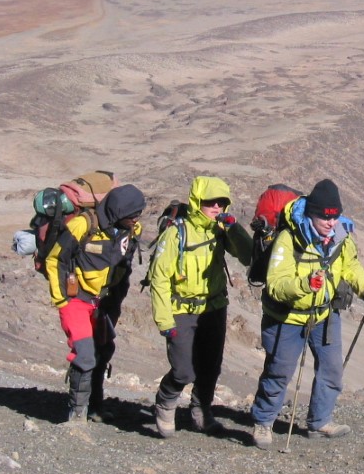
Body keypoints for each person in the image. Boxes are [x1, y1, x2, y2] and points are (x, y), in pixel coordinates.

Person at [250, 178, 364, 449]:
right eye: (325, 217)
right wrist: (305, 285)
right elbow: (276, 284)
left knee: (332, 369)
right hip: (287, 317)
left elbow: (351, 268)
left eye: (334, 217)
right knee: (278, 371)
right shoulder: (289, 239)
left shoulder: (340, 237)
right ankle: (263, 423)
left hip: (324, 313)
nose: (331, 223)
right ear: (312, 212)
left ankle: (320, 421)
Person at [148, 176, 252, 438]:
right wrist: (165, 321)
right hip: (182, 310)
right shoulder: (176, 233)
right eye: (210, 202)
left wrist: (234, 228)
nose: (216, 207)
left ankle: (201, 412)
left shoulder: (221, 229)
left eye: (222, 202)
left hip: (214, 308)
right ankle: (166, 401)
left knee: (211, 366)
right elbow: (159, 278)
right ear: (197, 202)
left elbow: (248, 255)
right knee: (184, 370)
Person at [45, 184, 145, 423]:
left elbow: (125, 265)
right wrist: (62, 300)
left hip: (105, 301)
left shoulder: (131, 229)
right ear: (118, 211)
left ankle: (95, 406)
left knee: (103, 349)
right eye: (132, 214)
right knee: (85, 354)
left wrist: (117, 298)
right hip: (77, 299)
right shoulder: (83, 225)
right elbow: (55, 259)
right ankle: (77, 413)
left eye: (138, 214)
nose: (136, 219)